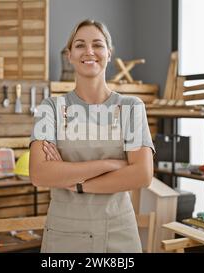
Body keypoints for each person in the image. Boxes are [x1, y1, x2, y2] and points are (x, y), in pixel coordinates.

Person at [29, 19, 155, 253]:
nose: (89, 51)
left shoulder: (130, 107)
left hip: (119, 231)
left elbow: (142, 174)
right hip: (64, 232)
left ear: (109, 53)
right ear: (69, 55)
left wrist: (75, 182)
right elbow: (39, 173)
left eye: (97, 45)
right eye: (80, 45)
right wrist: (109, 164)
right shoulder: (50, 108)